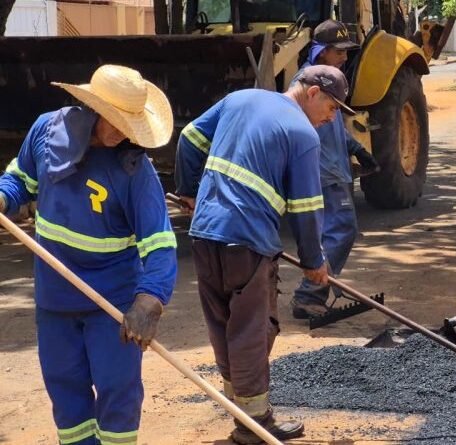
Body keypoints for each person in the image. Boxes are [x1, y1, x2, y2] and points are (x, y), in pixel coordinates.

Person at [174, 64, 353, 443]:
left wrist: (189, 190)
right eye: (333, 107)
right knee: (252, 331)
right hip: (248, 243)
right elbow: (306, 208)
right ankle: (255, 425)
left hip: (204, 235)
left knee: (223, 324)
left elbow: (189, 137)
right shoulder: (303, 134)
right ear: (312, 93)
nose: (332, 117)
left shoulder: (240, 99)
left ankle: (240, 408)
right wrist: (313, 262)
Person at [0, 64, 178, 445]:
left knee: (117, 389)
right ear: (93, 107)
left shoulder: (136, 171)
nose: (120, 132)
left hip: (111, 305)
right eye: (113, 120)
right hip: (55, 299)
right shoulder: (47, 133)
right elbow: (20, 181)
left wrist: (150, 300)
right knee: (65, 389)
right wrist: (3, 196)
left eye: (128, 123)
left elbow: (160, 244)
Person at [290, 19, 380, 319]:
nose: (344, 57)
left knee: (336, 230)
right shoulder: (306, 85)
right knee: (340, 230)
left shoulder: (328, 82)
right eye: (337, 52)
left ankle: (313, 290)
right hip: (322, 172)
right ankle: (309, 293)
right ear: (321, 51)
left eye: (345, 52)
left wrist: (358, 150)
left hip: (334, 168)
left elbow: (336, 128)